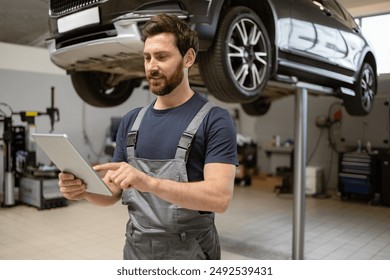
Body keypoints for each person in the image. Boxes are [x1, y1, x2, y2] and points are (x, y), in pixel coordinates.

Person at [58, 14, 238, 260]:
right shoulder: (132, 121)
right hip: (137, 250)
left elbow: (219, 198)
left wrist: (148, 182)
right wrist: (83, 191)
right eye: (147, 57)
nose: (151, 66)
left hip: (190, 252)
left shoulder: (214, 119)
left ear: (188, 58)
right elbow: (113, 192)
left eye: (162, 57)